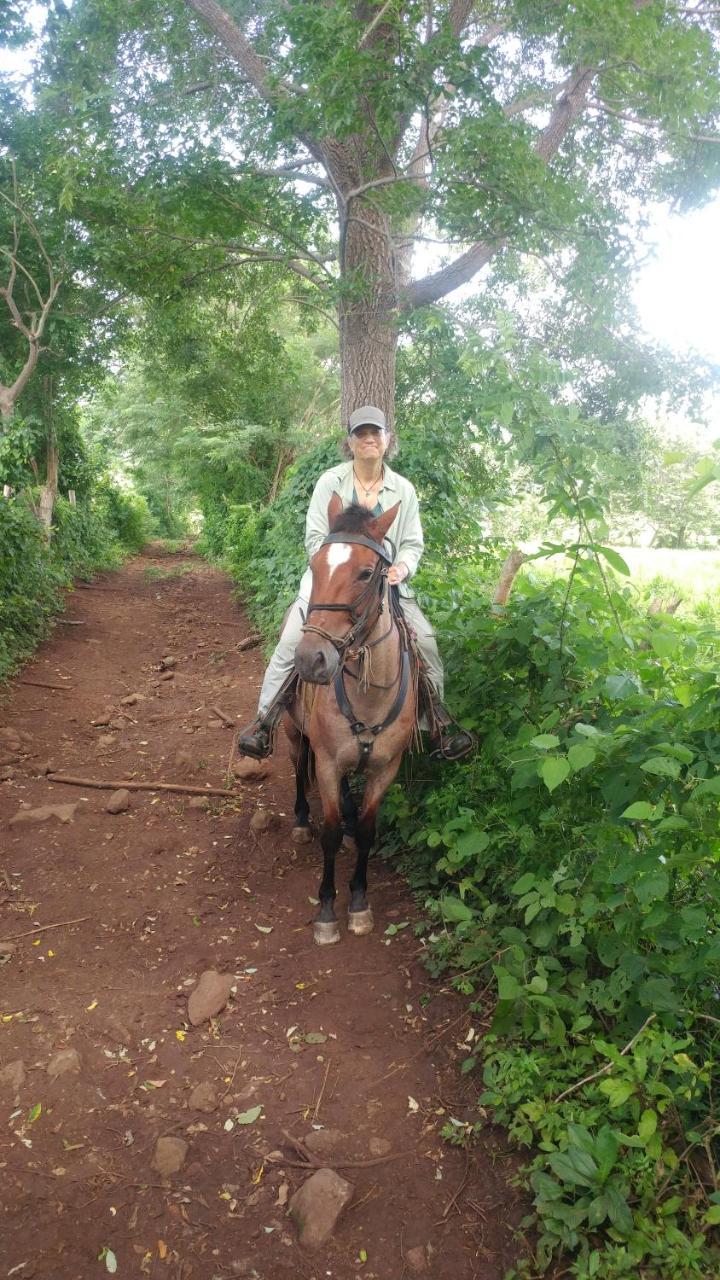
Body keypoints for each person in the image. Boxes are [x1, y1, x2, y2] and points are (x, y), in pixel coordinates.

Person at [237, 405, 475, 761]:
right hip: (330, 583)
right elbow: (315, 536)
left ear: (387, 440)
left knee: (424, 639)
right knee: (290, 641)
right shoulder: (330, 482)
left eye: (376, 433)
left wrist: (403, 568)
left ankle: (437, 723)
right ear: (349, 442)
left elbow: (412, 543)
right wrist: (342, 564)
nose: (369, 439)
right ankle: (265, 720)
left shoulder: (403, 490)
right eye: (361, 433)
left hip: (383, 584)